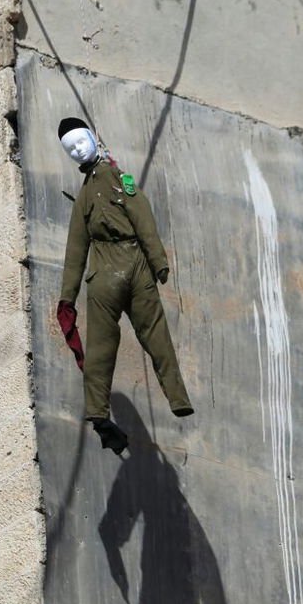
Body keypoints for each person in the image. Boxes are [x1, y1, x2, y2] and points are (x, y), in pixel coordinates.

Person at [56, 118, 193, 455]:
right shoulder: (92, 193)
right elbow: (76, 251)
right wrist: (66, 297)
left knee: (145, 337)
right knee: (112, 344)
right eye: (70, 148)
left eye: (79, 142)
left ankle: (174, 399)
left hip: (125, 267)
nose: (77, 149)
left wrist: (158, 260)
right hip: (109, 271)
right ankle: (101, 412)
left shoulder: (117, 181)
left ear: (93, 137)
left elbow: (141, 218)